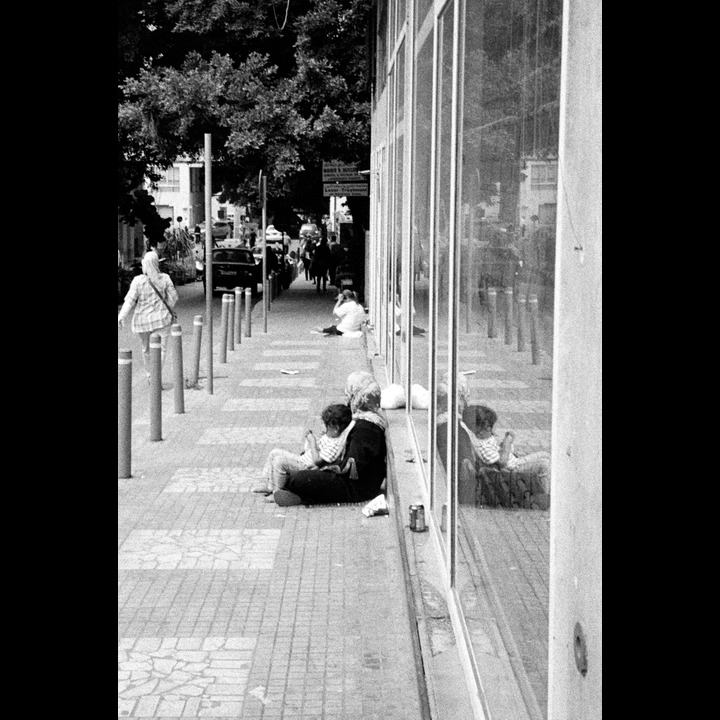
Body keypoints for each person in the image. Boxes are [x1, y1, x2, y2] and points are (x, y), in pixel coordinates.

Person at [273, 371, 388, 506]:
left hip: (357, 488)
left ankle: (299, 494)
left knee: (301, 478)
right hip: (352, 480)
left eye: (350, 395)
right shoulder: (362, 419)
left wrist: (326, 468)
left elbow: (353, 466)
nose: (348, 399)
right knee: (303, 469)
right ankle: (293, 491)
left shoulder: (366, 428)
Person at [252, 404, 355, 500]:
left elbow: (317, 461)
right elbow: (310, 450)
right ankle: (269, 484)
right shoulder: (331, 436)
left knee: (280, 461)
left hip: (306, 465)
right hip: (303, 459)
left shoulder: (334, 445)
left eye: (327, 426)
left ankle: (277, 492)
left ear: (336, 428)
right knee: (274, 452)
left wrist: (313, 442)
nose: (325, 429)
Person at [463, 404, 551, 494]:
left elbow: (498, 451)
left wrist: (503, 445)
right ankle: (545, 495)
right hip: (514, 468)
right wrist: (507, 442)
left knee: (545, 455)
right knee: (544, 464)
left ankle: (550, 486)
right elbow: (502, 462)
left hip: (515, 461)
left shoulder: (484, 438)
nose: (491, 431)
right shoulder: (483, 448)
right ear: (478, 429)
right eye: (488, 427)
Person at [117, 253, 178, 383]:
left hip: (142, 322)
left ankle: (150, 375)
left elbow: (130, 301)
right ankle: (156, 377)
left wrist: (121, 316)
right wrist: (166, 308)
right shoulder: (165, 279)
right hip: (162, 320)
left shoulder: (138, 281)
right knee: (161, 350)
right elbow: (174, 297)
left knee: (146, 349)